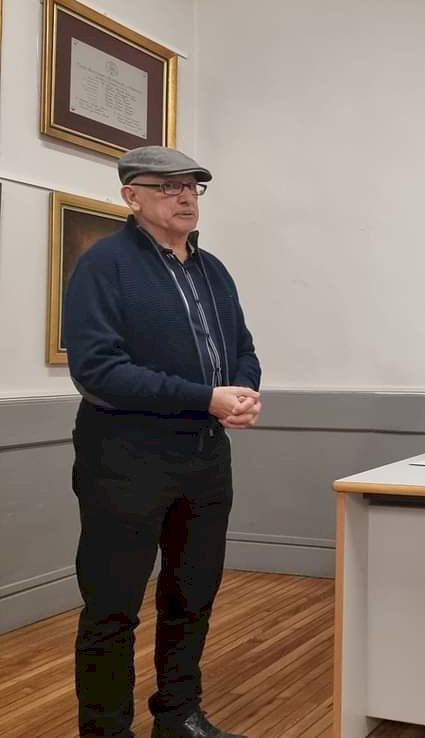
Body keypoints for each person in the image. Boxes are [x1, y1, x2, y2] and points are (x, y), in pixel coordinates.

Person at [64, 146, 260, 738]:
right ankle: (106, 731)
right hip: (125, 461)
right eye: (169, 187)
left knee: (191, 597)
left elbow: (243, 349)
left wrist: (242, 392)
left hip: (205, 459)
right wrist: (205, 397)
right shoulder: (105, 264)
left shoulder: (213, 270)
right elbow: (98, 370)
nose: (185, 197)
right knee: (113, 607)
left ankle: (178, 716)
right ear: (132, 197)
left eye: (193, 187)